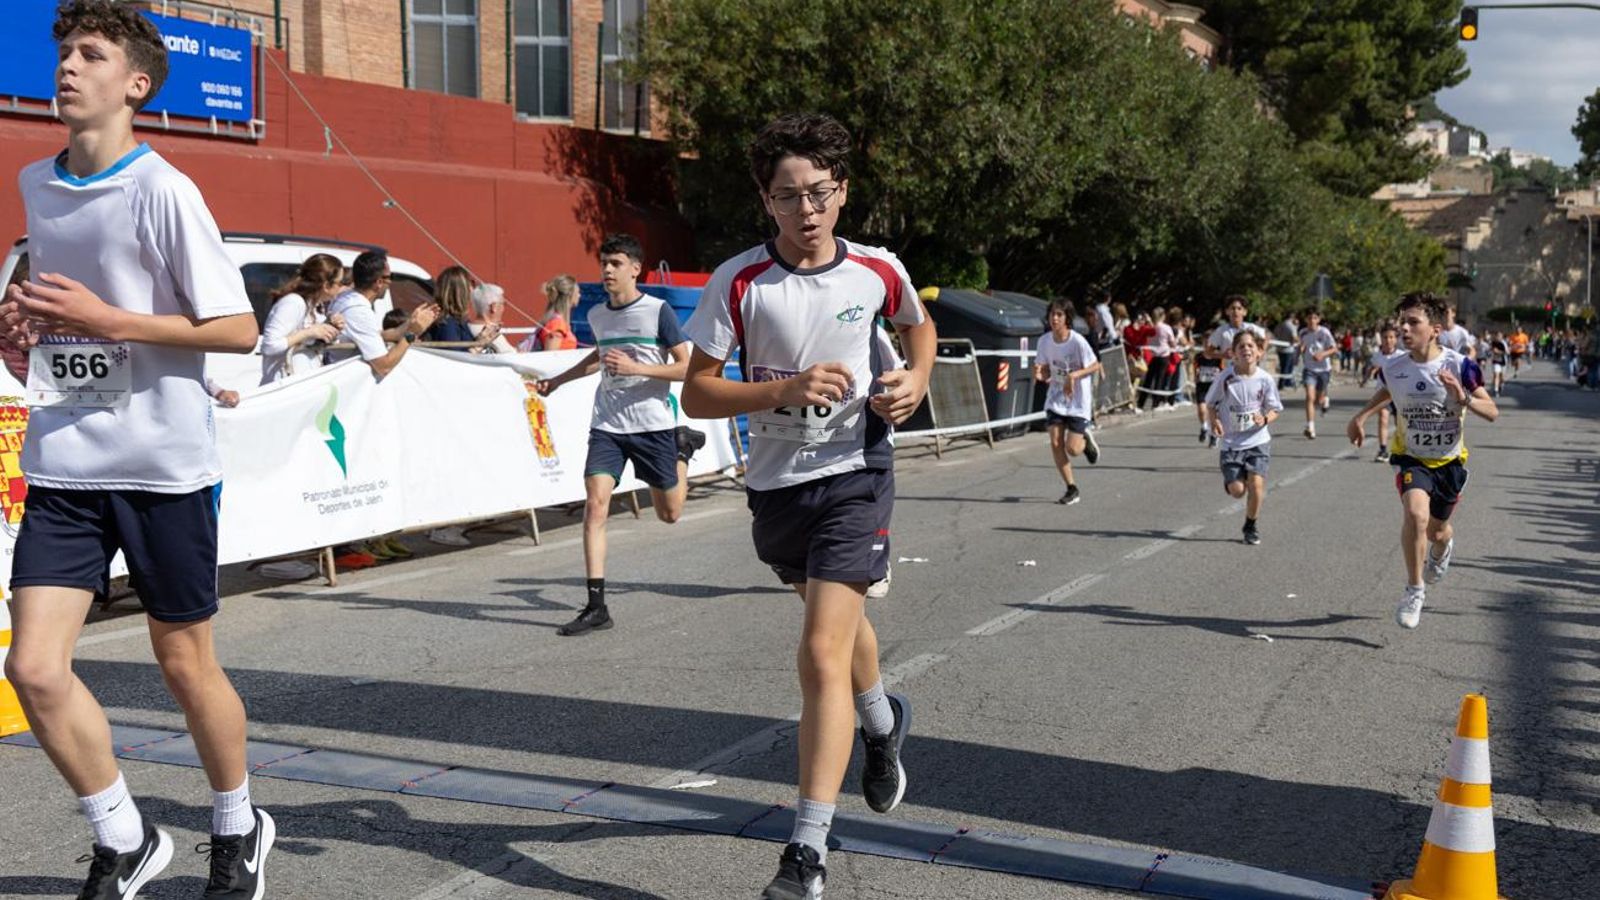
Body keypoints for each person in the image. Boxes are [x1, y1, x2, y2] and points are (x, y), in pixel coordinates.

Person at [0, 4, 274, 896]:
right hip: (65, 462)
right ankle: (124, 835)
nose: (69, 67)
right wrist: (24, 329)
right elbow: (57, 309)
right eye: (65, 53)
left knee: (185, 664)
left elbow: (237, 329)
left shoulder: (163, 189)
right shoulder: (37, 182)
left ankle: (238, 823)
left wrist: (109, 321)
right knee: (32, 667)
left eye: (92, 55)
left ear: (137, 84)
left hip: (162, 468)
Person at [681, 113, 935, 899]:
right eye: (788, 196)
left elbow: (919, 331)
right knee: (840, 630)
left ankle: (806, 854)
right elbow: (697, 393)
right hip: (778, 485)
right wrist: (782, 390)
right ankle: (881, 721)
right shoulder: (740, 282)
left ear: (842, 191)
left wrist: (916, 379)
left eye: (819, 192)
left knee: (821, 652)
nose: (807, 210)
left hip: (856, 474)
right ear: (767, 201)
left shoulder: (877, 270)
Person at [537, 233, 703, 636]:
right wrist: (557, 381)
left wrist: (637, 368)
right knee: (595, 506)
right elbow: (597, 358)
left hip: (652, 425)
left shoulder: (658, 311)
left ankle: (682, 450)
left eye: (616, 263)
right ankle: (597, 607)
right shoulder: (598, 315)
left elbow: (688, 367)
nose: (607, 270)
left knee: (669, 514)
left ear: (635, 269)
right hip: (608, 425)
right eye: (604, 263)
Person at [1347, 292, 1498, 630]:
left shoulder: (1461, 366)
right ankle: (1414, 590)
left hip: (1449, 462)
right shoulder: (1394, 367)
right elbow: (1388, 390)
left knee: (1437, 531)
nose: (1404, 328)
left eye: (1413, 322)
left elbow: (1492, 411)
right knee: (1416, 515)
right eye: (1402, 321)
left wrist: (1463, 397)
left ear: (1435, 330)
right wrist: (1361, 416)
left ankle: (1442, 549)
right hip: (1411, 457)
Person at [1205, 332, 1282, 545]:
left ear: (1258, 352)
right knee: (1238, 492)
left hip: (1258, 441)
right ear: (1233, 353)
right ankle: (1232, 481)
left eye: (1250, 345)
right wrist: (1215, 421)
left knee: (1256, 486)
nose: (1246, 349)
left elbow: (1275, 409)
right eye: (1241, 346)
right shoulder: (1225, 378)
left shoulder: (1265, 379)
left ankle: (1250, 526)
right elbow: (1210, 404)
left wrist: (1264, 419)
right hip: (1232, 444)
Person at [327, 250, 439, 378]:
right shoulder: (359, 312)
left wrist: (412, 323)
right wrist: (412, 334)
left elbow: (379, 335)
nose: (391, 282)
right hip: (346, 381)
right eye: (390, 277)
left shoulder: (346, 298)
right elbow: (384, 366)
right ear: (379, 282)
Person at [1034, 298, 1103, 505]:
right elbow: (1043, 369)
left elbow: (1095, 365)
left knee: (1072, 449)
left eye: (1059, 315)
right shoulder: (1044, 341)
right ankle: (1071, 488)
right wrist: (1040, 373)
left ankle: (1085, 441)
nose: (1054, 318)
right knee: (1056, 442)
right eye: (1052, 314)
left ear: (1067, 319)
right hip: (1056, 398)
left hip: (1078, 400)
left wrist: (1073, 376)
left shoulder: (1077, 341)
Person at [259, 253, 344, 384]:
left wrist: (330, 327)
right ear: (326, 285)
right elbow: (270, 346)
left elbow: (312, 342)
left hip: (303, 383)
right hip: (283, 384)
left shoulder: (315, 306)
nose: (342, 288)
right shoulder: (293, 303)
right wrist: (309, 333)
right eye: (340, 283)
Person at [1194, 296, 1267, 446]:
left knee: (1248, 407)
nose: (1236, 311)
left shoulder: (1251, 329)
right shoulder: (1222, 331)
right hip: (1231, 376)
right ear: (1227, 311)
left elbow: (1265, 339)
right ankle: (1219, 432)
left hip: (1250, 375)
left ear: (1245, 312)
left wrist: (1260, 353)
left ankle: (1248, 439)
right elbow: (1208, 352)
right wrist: (1222, 355)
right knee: (1226, 407)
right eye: (1232, 308)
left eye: (1239, 308)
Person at [1297, 308, 1337, 438]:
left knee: (1319, 399)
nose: (1312, 321)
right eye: (1309, 318)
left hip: (1324, 370)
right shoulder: (1302, 332)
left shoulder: (1324, 332)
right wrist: (1300, 349)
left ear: (1318, 320)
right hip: (1309, 369)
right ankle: (1310, 427)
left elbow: (1334, 348)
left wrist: (1323, 354)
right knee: (1310, 397)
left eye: (1314, 318)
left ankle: (1325, 399)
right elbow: (1302, 346)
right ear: (1306, 320)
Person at [1365, 322, 1401, 463]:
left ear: (1396, 339)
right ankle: (1383, 449)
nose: (1388, 340)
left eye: (1391, 337)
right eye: (1385, 337)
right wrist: (1368, 375)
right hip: (1383, 394)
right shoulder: (1377, 356)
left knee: (1400, 424)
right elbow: (1371, 368)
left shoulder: (1402, 356)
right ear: (1381, 338)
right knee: (1383, 419)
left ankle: (1403, 449)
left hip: (1398, 395)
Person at [422, 265, 477, 350]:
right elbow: (454, 355)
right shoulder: (447, 324)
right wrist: (477, 347)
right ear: (460, 291)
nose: (472, 289)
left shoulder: (459, 320)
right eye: (471, 284)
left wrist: (481, 338)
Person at [523, 274, 579, 352]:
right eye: (578, 292)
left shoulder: (557, 322)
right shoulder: (557, 324)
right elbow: (550, 355)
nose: (579, 295)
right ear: (570, 296)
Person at [1136, 307, 1176, 411]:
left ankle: (1140, 403)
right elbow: (1172, 343)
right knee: (1159, 379)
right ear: (1163, 316)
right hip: (1163, 355)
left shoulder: (1151, 328)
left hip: (1153, 355)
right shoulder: (1166, 328)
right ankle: (1156, 403)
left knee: (1148, 380)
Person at [468, 282, 517, 354]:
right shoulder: (490, 334)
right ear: (493, 307)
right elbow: (512, 356)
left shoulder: (466, 329)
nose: (503, 308)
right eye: (503, 303)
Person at [1273, 312, 1299, 392]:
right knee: (1287, 367)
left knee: (1283, 367)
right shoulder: (1291, 325)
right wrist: (1299, 341)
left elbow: (1275, 333)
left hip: (1280, 349)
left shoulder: (1280, 325)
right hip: (1288, 349)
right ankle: (1283, 384)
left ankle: (1286, 383)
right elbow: (1294, 338)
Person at [1486, 330, 1509, 396]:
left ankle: (1501, 384)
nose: (1498, 337)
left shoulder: (1504, 343)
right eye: (1497, 336)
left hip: (1503, 362)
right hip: (1495, 361)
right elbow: (1489, 351)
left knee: (1502, 377)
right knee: (1496, 374)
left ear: (1502, 337)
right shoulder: (1493, 343)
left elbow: (1507, 352)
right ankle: (1496, 390)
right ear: (1495, 336)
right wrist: (1491, 351)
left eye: (1500, 336)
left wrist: (1498, 352)